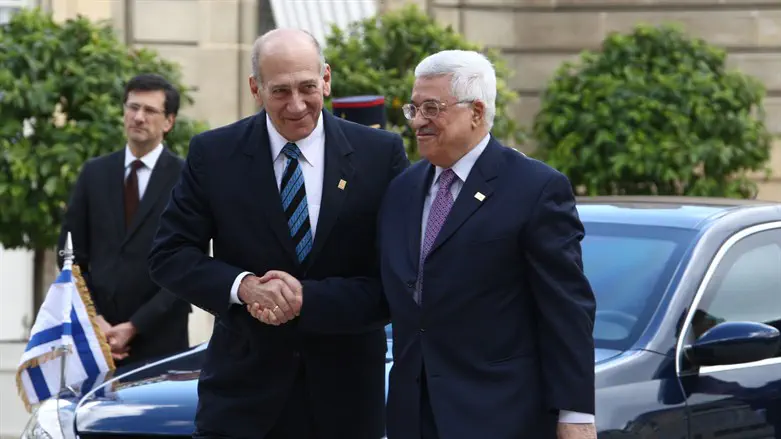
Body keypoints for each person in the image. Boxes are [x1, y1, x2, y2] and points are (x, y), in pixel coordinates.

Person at [255, 49, 598, 439]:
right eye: (413, 108)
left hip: (503, 415)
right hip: (413, 415)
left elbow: (566, 309)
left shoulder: (535, 188)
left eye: (432, 108)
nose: (418, 121)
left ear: (476, 111)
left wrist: (576, 415)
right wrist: (303, 298)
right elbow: (386, 293)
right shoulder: (403, 189)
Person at [147, 28, 409, 439]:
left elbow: (399, 277)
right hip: (242, 401)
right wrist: (244, 287)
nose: (297, 105)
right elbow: (170, 254)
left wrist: (308, 299)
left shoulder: (381, 156)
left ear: (326, 78)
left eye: (308, 87)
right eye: (280, 91)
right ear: (256, 88)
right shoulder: (214, 155)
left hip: (346, 404)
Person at [57, 73, 191, 366]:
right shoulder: (94, 173)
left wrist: (135, 326)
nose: (138, 117)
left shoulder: (187, 179)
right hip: (95, 342)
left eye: (150, 110)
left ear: (169, 122)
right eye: (132, 107)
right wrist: (97, 321)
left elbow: (188, 266)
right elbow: (70, 256)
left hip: (161, 345)